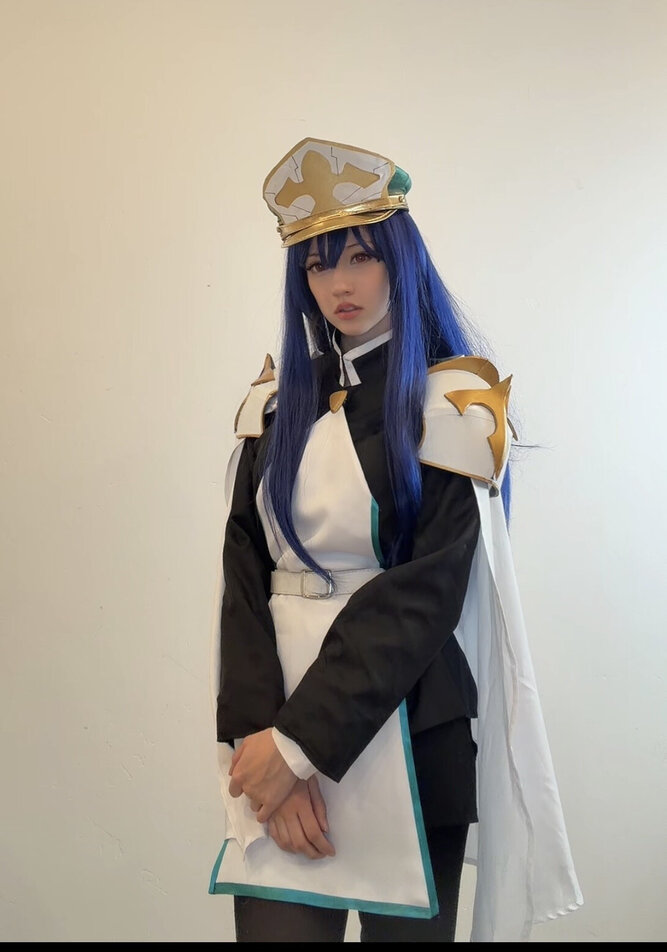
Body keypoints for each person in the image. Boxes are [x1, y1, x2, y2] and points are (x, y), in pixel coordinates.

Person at [208, 137, 582, 942]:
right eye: (317, 265)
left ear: (400, 261)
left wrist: (299, 746)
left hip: (409, 731)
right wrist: (262, 750)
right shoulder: (272, 410)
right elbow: (242, 586)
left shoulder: (451, 405)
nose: (339, 285)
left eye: (360, 257)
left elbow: (423, 596)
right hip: (275, 740)